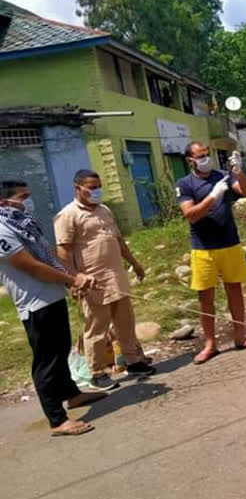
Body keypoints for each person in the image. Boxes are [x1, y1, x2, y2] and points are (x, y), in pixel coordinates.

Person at [0, 180, 106, 436]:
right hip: (35, 303)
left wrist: (73, 277)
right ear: (4, 202)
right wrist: (71, 279)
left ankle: (72, 394)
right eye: (23, 197)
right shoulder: (2, 230)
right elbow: (29, 265)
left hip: (51, 295)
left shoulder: (24, 225)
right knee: (46, 360)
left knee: (60, 350)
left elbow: (48, 256)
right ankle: (57, 419)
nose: (28, 201)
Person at [55, 170, 155, 391]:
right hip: (92, 282)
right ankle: (97, 372)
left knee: (125, 322)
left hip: (116, 276)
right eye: (91, 187)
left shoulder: (104, 210)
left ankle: (133, 361)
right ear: (78, 188)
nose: (96, 191)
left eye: (98, 186)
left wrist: (134, 263)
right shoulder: (68, 215)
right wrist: (73, 279)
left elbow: (118, 240)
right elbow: (62, 252)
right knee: (97, 327)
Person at [176, 142, 246, 364]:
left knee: (235, 291)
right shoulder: (185, 184)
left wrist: (238, 172)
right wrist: (212, 197)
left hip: (230, 243)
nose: (206, 159)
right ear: (190, 160)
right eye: (200, 156)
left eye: (207, 155)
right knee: (206, 298)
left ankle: (240, 337)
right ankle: (210, 345)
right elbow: (190, 214)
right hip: (203, 248)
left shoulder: (223, 176)